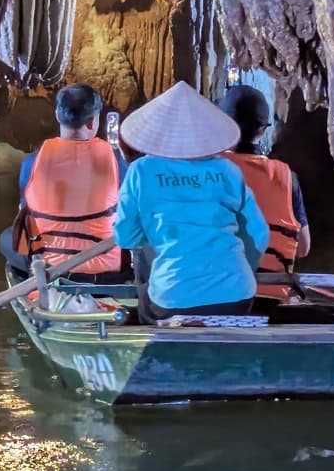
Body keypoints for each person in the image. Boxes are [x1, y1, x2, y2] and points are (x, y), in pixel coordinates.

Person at [113, 81, 269, 323]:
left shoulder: (142, 171)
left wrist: (161, 236)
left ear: (158, 133)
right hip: (236, 294)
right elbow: (259, 233)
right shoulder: (228, 170)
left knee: (144, 293)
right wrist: (239, 267)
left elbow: (126, 237)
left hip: (173, 297)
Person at [3, 83, 130, 284]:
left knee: (7, 238)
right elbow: (129, 212)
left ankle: (36, 279)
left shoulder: (32, 161)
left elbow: (25, 211)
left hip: (50, 268)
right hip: (106, 270)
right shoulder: (116, 160)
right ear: (92, 122)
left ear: (57, 115)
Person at [218, 85, 310, 300]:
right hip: (271, 298)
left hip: (220, 297)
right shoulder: (286, 176)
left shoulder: (211, 172)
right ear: (263, 129)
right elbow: (303, 247)